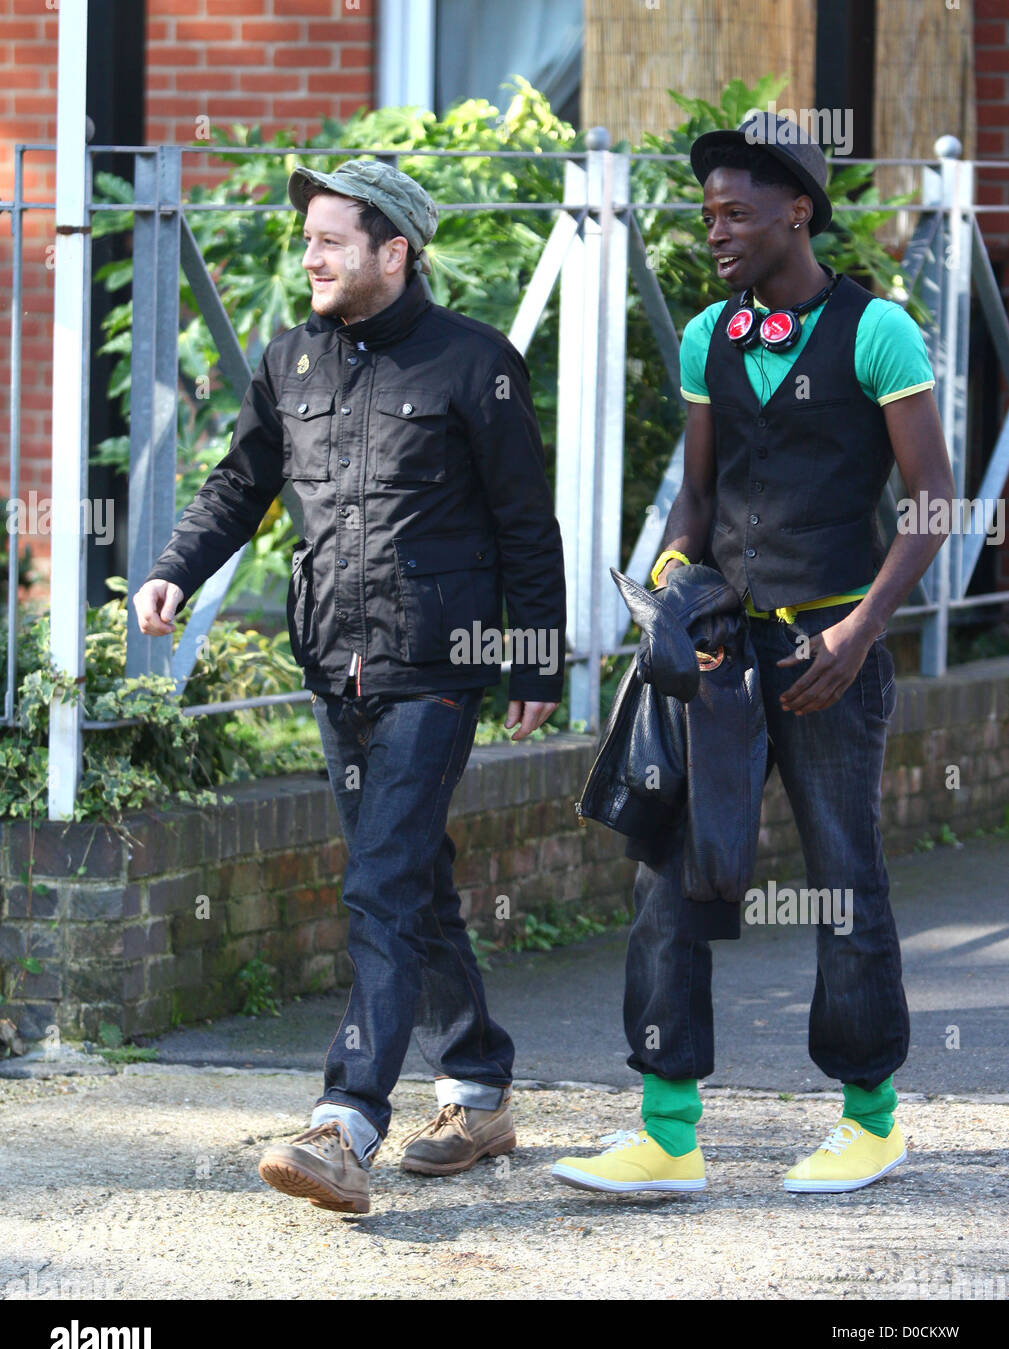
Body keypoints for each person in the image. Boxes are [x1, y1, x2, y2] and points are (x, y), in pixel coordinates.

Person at [133, 158, 566, 1213]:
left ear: (393, 251)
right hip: (335, 663)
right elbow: (243, 481)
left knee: (376, 880)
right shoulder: (291, 363)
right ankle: (478, 1086)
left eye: (331, 240)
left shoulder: (476, 364)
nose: (310, 256)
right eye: (310, 238)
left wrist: (536, 655)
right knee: (411, 876)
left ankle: (345, 1122)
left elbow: (523, 522)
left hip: (436, 668)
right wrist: (174, 568)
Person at [551, 112, 954, 1197]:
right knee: (673, 873)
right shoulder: (705, 339)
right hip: (722, 652)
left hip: (832, 649)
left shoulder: (879, 333)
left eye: (734, 212)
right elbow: (695, 495)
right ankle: (666, 1130)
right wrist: (672, 591)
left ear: (797, 212)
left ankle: (871, 1120)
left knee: (842, 880)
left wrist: (862, 629)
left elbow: (931, 503)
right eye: (705, 210)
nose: (713, 228)